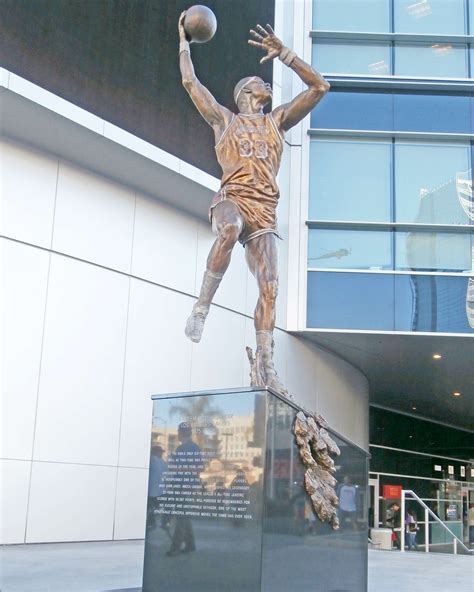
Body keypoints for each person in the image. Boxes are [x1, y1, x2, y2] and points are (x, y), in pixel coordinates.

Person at [178, 14, 330, 396]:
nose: (267, 84)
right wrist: (183, 41)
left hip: (264, 213)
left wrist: (287, 55)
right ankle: (201, 307)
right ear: (247, 91)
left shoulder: (277, 122)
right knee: (229, 229)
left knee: (272, 287)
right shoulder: (224, 120)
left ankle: (267, 363)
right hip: (232, 201)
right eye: (260, 82)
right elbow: (189, 82)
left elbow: (320, 86)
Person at [166, 423, 204, 557]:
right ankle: (190, 545)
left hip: (186, 485)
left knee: (181, 516)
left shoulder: (194, 448)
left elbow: (199, 468)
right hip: (179, 484)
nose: (177, 434)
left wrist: (179, 469)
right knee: (184, 516)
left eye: (178, 431)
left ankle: (175, 547)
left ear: (182, 433)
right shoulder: (180, 448)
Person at [146, 445, 167, 529]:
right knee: (153, 509)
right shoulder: (158, 461)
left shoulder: (154, 460)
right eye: (160, 452)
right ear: (156, 452)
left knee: (151, 508)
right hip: (157, 491)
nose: (161, 453)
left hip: (152, 490)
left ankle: (151, 522)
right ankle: (152, 522)